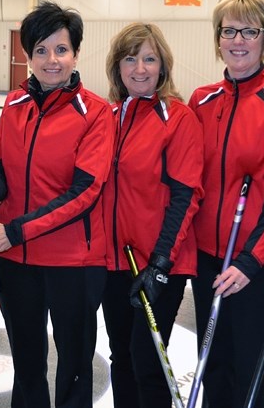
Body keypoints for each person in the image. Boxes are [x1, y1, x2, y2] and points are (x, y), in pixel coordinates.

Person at [0, 1, 115, 408]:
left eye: (61, 50)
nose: (51, 60)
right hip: (17, 263)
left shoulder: (96, 113)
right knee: (27, 364)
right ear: (27, 55)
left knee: (75, 366)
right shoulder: (14, 105)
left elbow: (84, 193)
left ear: (76, 54)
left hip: (73, 264)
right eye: (41, 50)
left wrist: (13, 230)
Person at [187, 0, 264, 408]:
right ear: (217, 38)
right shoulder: (202, 100)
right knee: (213, 360)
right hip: (205, 256)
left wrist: (250, 260)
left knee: (248, 367)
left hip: (254, 263)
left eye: (249, 31)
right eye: (229, 30)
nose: (238, 41)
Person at [101, 23, 204, 408]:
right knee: (122, 357)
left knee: (148, 362)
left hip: (159, 264)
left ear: (163, 66)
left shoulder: (178, 118)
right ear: (117, 66)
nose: (139, 68)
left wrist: (160, 263)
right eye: (130, 58)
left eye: (149, 59)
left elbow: (185, 196)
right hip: (114, 262)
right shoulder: (109, 116)